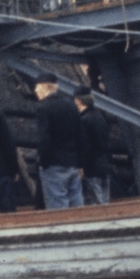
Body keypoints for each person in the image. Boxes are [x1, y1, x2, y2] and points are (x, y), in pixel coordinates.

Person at [34, 72, 84, 209]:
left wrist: (43, 162)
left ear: (45, 86)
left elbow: (44, 138)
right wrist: (80, 163)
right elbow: (80, 135)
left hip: (53, 164)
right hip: (73, 162)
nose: (35, 90)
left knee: (58, 205)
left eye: (37, 87)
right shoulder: (71, 105)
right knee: (77, 203)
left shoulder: (43, 108)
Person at [74, 86, 111, 204]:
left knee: (95, 203)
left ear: (78, 100)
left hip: (91, 167)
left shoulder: (83, 120)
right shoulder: (100, 117)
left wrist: (81, 166)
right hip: (104, 165)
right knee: (105, 201)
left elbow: (85, 146)